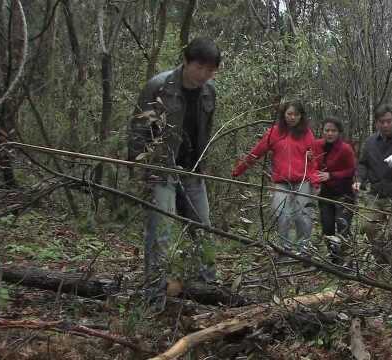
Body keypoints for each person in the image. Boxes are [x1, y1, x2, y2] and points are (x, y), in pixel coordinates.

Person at [127, 37, 221, 306]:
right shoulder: (160, 86)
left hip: (192, 170)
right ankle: (154, 297)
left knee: (203, 230)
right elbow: (137, 130)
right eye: (201, 68)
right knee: (161, 233)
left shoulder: (209, 92)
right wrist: (143, 167)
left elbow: (206, 129)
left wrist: (202, 164)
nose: (205, 75)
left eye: (211, 70)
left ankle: (208, 291)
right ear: (187, 62)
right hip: (161, 170)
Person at [232, 101, 319, 252]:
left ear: (301, 116)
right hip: (281, 181)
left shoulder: (307, 134)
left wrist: (315, 180)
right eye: (289, 114)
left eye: (296, 115)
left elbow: (314, 159)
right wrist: (239, 170)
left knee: (302, 215)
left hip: (302, 180)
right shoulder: (275, 132)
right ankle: (285, 249)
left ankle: (303, 249)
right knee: (281, 213)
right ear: (284, 115)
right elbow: (256, 153)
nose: (292, 117)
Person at [354, 104, 392, 276]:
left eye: (389, 121)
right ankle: (381, 260)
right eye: (382, 122)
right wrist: (359, 179)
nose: (386, 125)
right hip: (376, 194)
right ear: (377, 123)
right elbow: (363, 164)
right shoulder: (370, 142)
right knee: (368, 226)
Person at [312, 117, 357, 264]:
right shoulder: (317, 145)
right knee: (327, 226)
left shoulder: (345, 149)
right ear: (322, 131)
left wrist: (331, 175)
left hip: (344, 193)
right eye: (327, 130)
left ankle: (347, 261)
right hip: (325, 193)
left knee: (343, 226)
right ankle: (334, 258)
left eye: (333, 131)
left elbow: (351, 170)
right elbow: (310, 162)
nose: (330, 133)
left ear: (339, 132)